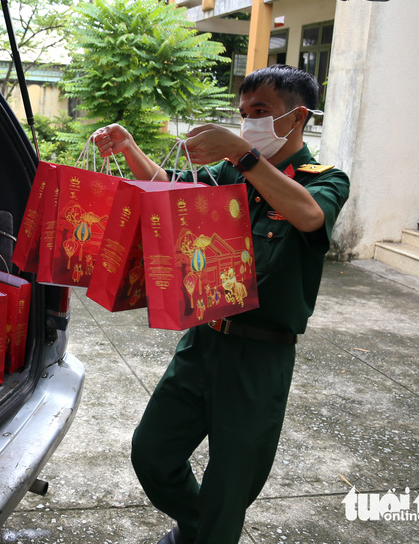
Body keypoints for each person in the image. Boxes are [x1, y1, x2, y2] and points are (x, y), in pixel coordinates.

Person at [93, 65, 350, 544]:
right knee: (152, 453)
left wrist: (242, 152)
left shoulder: (324, 179)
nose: (249, 121)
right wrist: (129, 147)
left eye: (261, 112)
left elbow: (310, 217)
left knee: (229, 488)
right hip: (203, 341)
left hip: (259, 358)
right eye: (244, 112)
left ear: (297, 117)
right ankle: (197, 527)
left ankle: (209, 531)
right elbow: (169, 187)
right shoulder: (231, 173)